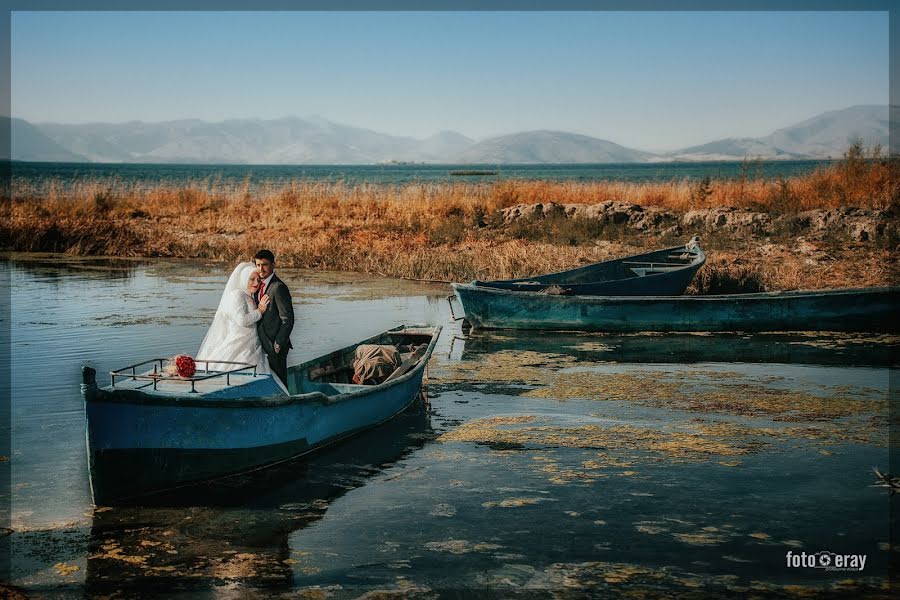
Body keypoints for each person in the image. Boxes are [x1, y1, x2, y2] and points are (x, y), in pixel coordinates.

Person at [196, 261, 271, 375]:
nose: (256, 283)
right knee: (237, 370)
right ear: (244, 279)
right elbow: (242, 320)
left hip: (251, 343)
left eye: (258, 280)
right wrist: (260, 310)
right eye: (252, 279)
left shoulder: (248, 295)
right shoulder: (237, 295)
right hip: (240, 343)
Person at [253, 249, 294, 384]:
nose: (261, 269)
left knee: (280, 381)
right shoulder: (256, 285)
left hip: (275, 346)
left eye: (264, 265)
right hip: (260, 344)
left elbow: (287, 319)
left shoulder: (278, 287)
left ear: (273, 265)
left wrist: (278, 342)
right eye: (258, 265)